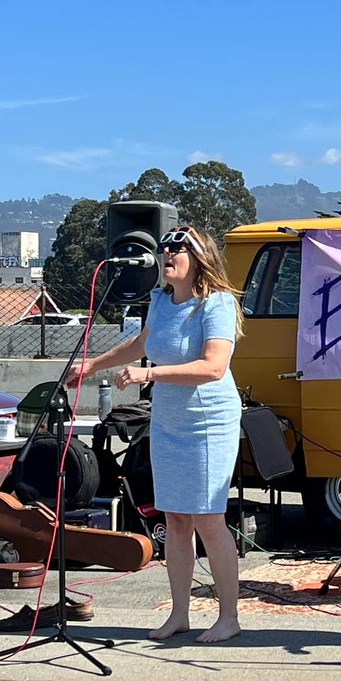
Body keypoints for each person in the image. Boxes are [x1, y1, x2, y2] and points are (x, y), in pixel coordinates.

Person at [66, 225, 245, 644]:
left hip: (208, 420)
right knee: (175, 518)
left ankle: (229, 616)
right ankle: (179, 614)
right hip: (169, 419)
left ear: (198, 258)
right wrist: (91, 365)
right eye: (163, 249)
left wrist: (149, 373)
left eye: (175, 250)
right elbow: (143, 342)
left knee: (207, 518)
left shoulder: (215, 303)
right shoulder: (161, 300)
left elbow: (213, 367)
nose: (166, 256)